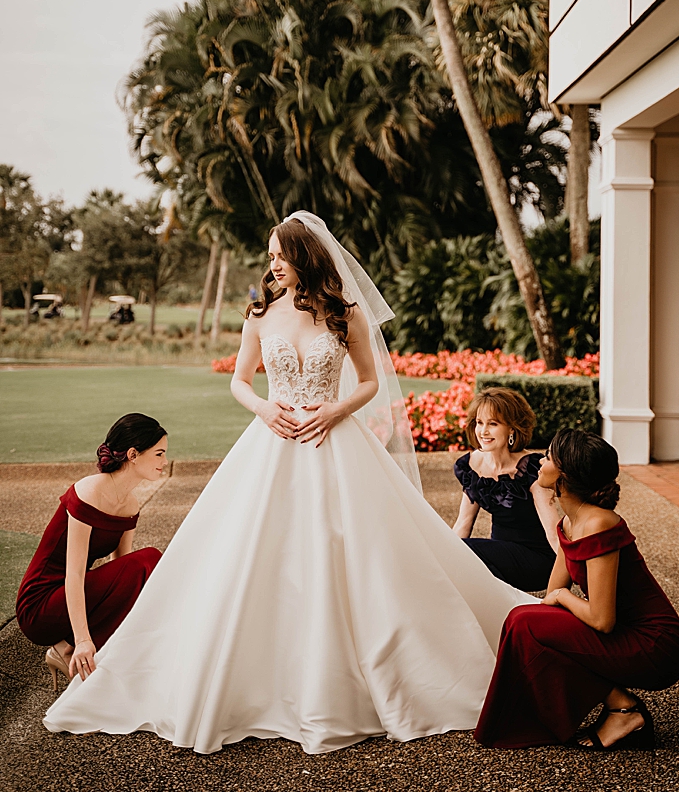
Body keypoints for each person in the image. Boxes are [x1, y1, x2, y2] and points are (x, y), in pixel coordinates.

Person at [44, 212, 531, 754]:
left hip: (334, 441)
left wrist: (334, 411)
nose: (272, 263)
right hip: (271, 444)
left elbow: (369, 382)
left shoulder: (346, 315)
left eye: (279, 254)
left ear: (304, 256)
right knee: (252, 554)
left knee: (357, 555)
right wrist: (262, 407)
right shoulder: (260, 313)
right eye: (270, 255)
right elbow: (239, 379)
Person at [474, 430, 679, 750]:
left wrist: (561, 598)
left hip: (656, 646)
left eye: (548, 457)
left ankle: (625, 711)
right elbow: (552, 593)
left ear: (565, 474)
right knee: (521, 620)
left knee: (525, 621)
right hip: (624, 635)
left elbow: (600, 619)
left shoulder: (599, 523)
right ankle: (611, 707)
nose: (540, 461)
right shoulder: (569, 522)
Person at [17, 414, 165, 690]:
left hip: (71, 600)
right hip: (39, 604)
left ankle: (78, 651)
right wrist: (84, 638)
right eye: (159, 453)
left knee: (146, 566)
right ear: (133, 454)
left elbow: (122, 568)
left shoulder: (130, 504)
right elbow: (73, 574)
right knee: (150, 558)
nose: (164, 462)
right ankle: (73, 647)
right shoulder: (88, 492)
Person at [451, 386, 560, 591]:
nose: (483, 431)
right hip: (499, 562)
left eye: (493, 424)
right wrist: (443, 558)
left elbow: (554, 533)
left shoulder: (532, 469)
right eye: (480, 423)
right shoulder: (472, 466)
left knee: (466, 551)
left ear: (512, 428)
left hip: (537, 562)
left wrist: (570, 581)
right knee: (451, 551)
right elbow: (463, 523)